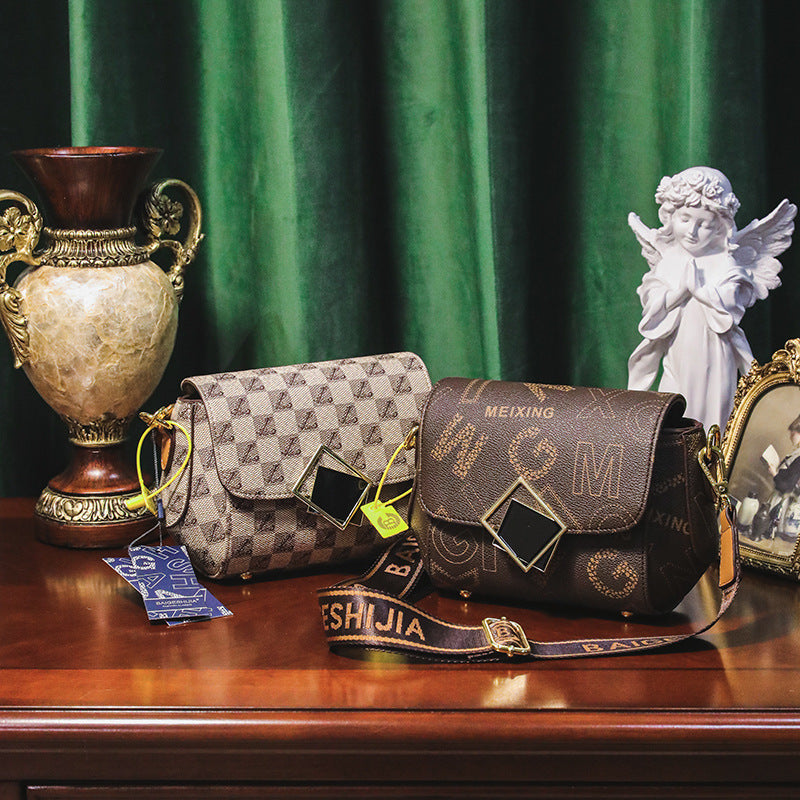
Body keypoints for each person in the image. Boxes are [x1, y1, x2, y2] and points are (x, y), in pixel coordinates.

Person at [627, 167, 796, 431]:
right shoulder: (669, 261)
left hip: (716, 353)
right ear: (670, 216)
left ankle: (714, 454)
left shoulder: (726, 263)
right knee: (675, 404)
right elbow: (652, 305)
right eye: (685, 219)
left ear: (720, 227)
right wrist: (680, 292)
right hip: (678, 350)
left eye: (704, 224)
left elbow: (729, 310)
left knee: (715, 412)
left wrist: (699, 291)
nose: (692, 232)